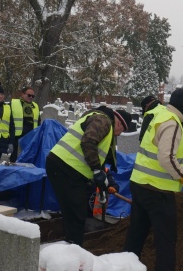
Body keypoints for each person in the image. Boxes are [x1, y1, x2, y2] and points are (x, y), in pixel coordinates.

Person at [124, 88, 183, 271]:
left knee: (135, 236)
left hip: (140, 184)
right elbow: (166, 158)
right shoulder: (172, 123)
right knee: (166, 242)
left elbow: (158, 152)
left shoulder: (159, 114)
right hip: (158, 192)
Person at [45, 105, 132, 246]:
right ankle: (74, 254)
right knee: (76, 216)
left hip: (66, 169)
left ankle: (70, 250)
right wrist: (97, 170)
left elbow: (97, 158)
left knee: (74, 215)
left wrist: (106, 179)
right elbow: (88, 141)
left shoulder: (102, 120)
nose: (119, 135)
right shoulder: (103, 120)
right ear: (119, 123)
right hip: (66, 168)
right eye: (122, 131)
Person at [10, 86, 41, 162]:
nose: (31, 97)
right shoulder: (14, 103)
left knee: (27, 157)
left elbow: (38, 121)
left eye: (33, 96)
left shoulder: (35, 106)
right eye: (29, 95)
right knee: (14, 158)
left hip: (31, 135)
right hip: (17, 135)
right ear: (22, 94)